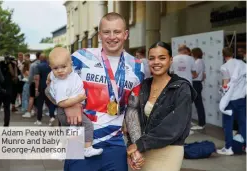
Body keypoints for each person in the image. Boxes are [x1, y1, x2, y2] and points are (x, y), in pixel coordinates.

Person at [46, 12, 145, 171]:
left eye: (117, 32)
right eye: (106, 32)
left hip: (115, 144)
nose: (112, 37)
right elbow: (49, 90)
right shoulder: (81, 58)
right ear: (99, 34)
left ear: (125, 34)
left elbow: (132, 110)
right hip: (79, 141)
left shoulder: (137, 67)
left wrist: (136, 145)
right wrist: (67, 105)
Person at [126, 41, 196, 171]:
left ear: (171, 60)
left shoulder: (181, 88)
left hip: (168, 152)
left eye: (162, 58)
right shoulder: (143, 86)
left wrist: (139, 145)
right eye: (152, 58)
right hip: (142, 152)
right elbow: (132, 117)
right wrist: (133, 148)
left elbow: (174, 127)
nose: (156, 62)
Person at [48, 47, 103, 157]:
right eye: (55, 68)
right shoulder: (61, 83)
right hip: (65, 110)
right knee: (87, 126)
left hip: (67, 110)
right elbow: (61, 103)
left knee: (67, 131)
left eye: (63, 66)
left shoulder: (66, 73)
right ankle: (87, 148)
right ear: (51, 68)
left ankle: (60, 152)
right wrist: (78, 100)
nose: (60, 71)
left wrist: (49, 76)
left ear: (71, 64)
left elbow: (51, 75)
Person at [217, 47, 246, 155]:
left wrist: (221, 89)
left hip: (230, 99)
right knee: (243, 123)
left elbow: (226, 84)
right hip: (242, 97)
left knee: (228, 124)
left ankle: (228, 148)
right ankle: (246, 146)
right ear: (232, 53)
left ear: (223, 55)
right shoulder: (242, 64)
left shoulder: (224, 67)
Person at [0, 56, 15, 131]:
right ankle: (6, 125)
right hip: (8, 90)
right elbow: (14, 75)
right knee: (7, 108)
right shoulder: (12, 66)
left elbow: (0, 79)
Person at [191, 47, 206, 130]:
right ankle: (201, 122)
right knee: (198, 103)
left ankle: (201, 123)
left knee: (198, 104)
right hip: (197, 83)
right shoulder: (201, 62)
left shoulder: (197, 62)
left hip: (195, 83)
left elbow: (195, 75)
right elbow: (203, 75)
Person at [22, 52, 41, 118]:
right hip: (43, 83)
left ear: (36, 56)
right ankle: (38, 112)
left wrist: (29, 82)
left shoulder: (33, 65)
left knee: (31, 98)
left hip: (33, 83)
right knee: (41, 99)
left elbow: (30, 77)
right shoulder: (46, 64)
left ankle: (29, 112)